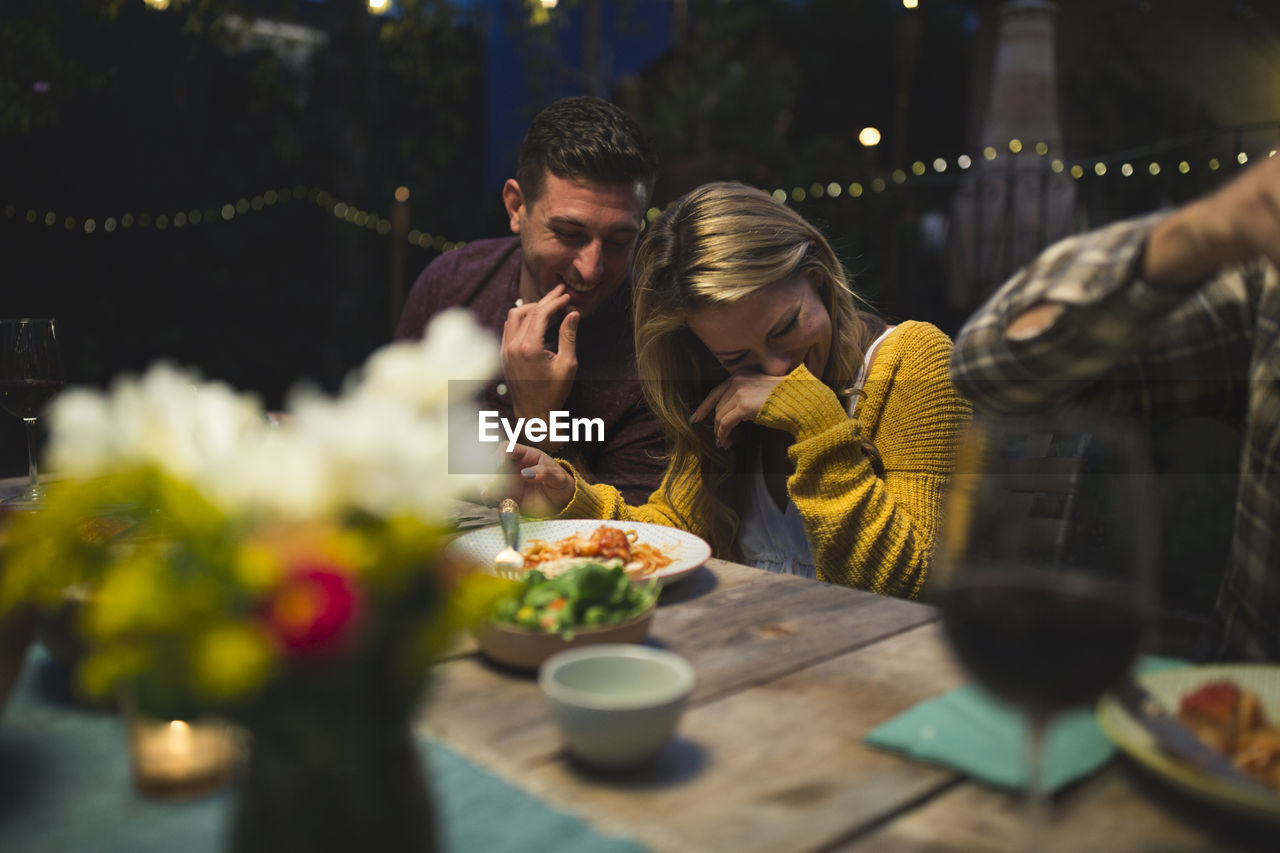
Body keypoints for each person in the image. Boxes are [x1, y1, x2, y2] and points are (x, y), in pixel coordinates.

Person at [510, 182, 972, 599]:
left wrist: (818, 424)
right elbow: (673, 533)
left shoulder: (916, 359)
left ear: (816, 277)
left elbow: (912, 588)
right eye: (737, 358)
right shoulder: (723, 394)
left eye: (785, 328)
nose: (776, 368)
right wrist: (573, 497)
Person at [949, 154, 1280, 661]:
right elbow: (989, 368)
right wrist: (1201, 231)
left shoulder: (902, 356)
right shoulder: (1265, 291)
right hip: (1236, 721)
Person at [394, 96, 665, 504]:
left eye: (619, 241)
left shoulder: (655, 343)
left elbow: (633, 536)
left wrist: (540, 423)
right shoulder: (452, 284)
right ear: (517, 207)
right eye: (570, 234)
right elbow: (393, 446)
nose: (591, 268)